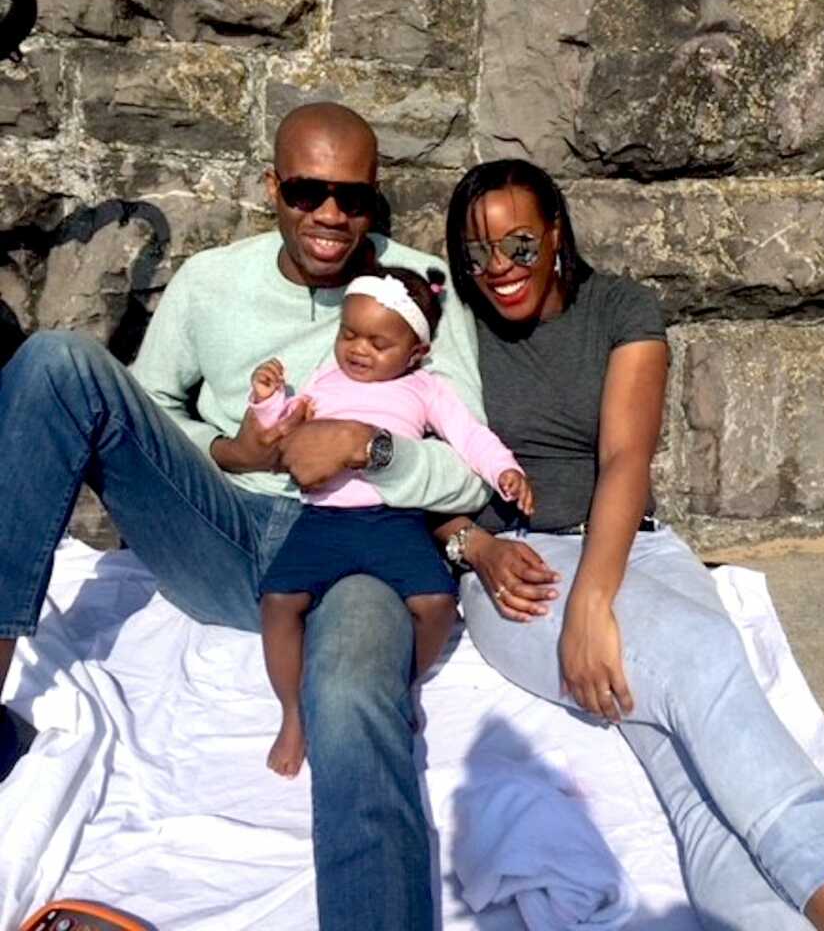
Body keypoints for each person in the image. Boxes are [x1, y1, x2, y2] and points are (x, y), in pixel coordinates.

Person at [0, 102, 491, 931]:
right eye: (307, 191)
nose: (330, 215)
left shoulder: (424, 291)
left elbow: (469, 469)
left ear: (374, 199)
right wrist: (238, 451)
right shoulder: (211, 282)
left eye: (352, 196)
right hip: (225, 531)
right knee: (55, 362)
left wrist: (365, 449)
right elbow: (150, 410)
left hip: (359, 548)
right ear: (274, 187)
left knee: (352, 697)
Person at [436, 158, 824, 931]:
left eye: (517, 245)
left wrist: (595, 602)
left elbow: (625, 458)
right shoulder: (454, 323)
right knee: (702, 666)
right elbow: (408, 457)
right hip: (517, 562)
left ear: (555, 232)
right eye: (475, 253)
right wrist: (470, 549)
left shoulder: (620, 307)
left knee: (689, 762)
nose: (497, 271)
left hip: (632, 545)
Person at [250, 264, 532, 776]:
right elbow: (283, 430)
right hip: (322, 521)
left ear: (415, 352)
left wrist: (504, 470)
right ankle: (292, 713)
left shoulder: (425, 389)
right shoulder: (323, 378)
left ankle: (403, 686)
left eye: (378, 343)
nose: (358, 349)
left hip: (393, 521)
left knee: (438, 603)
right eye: (349, 334)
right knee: (277, 602)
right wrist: (268, 400)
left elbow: (469, 437)